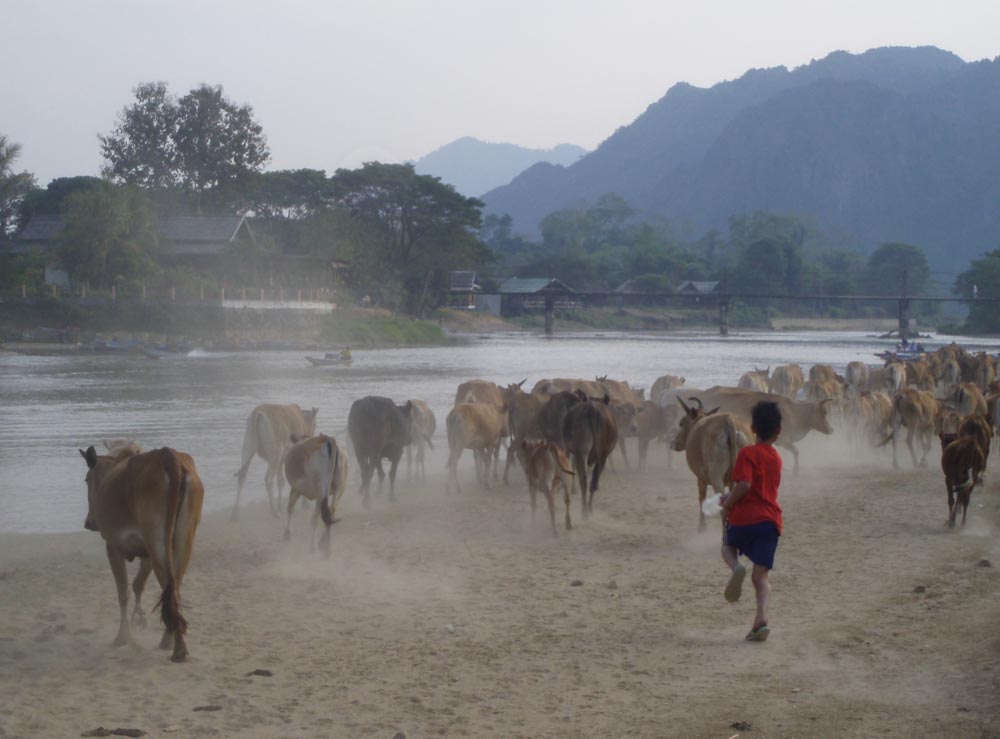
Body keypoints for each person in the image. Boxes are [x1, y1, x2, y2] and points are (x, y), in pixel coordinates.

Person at [720, 401, 783, 642]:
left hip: (744, 518)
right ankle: (761, 620)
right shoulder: (777, 459)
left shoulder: (747, 453)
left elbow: (745, 485)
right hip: (770, 522)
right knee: (761, 578)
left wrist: (727, 503)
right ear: (778, 432)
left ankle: (736, 567)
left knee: (727, 546)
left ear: (753, 429)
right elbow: (761, 489)